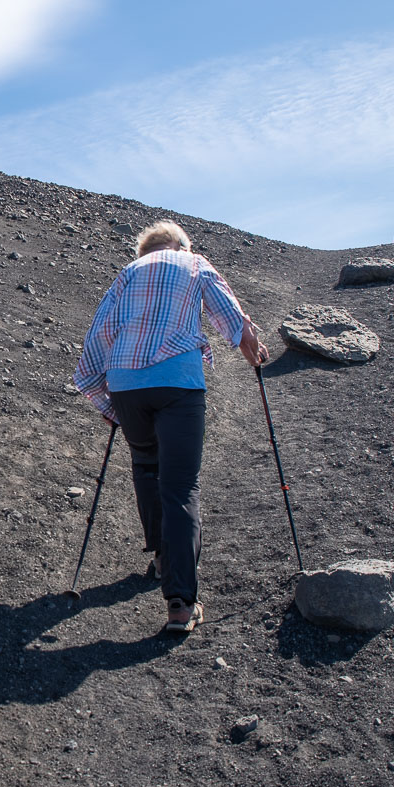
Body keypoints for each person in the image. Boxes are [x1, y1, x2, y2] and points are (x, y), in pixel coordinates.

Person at [74, 220, 268, 632]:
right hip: (177, 382)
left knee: (147, 465)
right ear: (181, 245)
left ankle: (163, 558)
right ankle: (181, 604)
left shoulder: (129, 273)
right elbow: (226, 310)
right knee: (180, 486)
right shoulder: (192, 262)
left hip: (127, 384)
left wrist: (98, 388)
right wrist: (247, 343)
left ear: (144, 251)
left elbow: (102, 330)